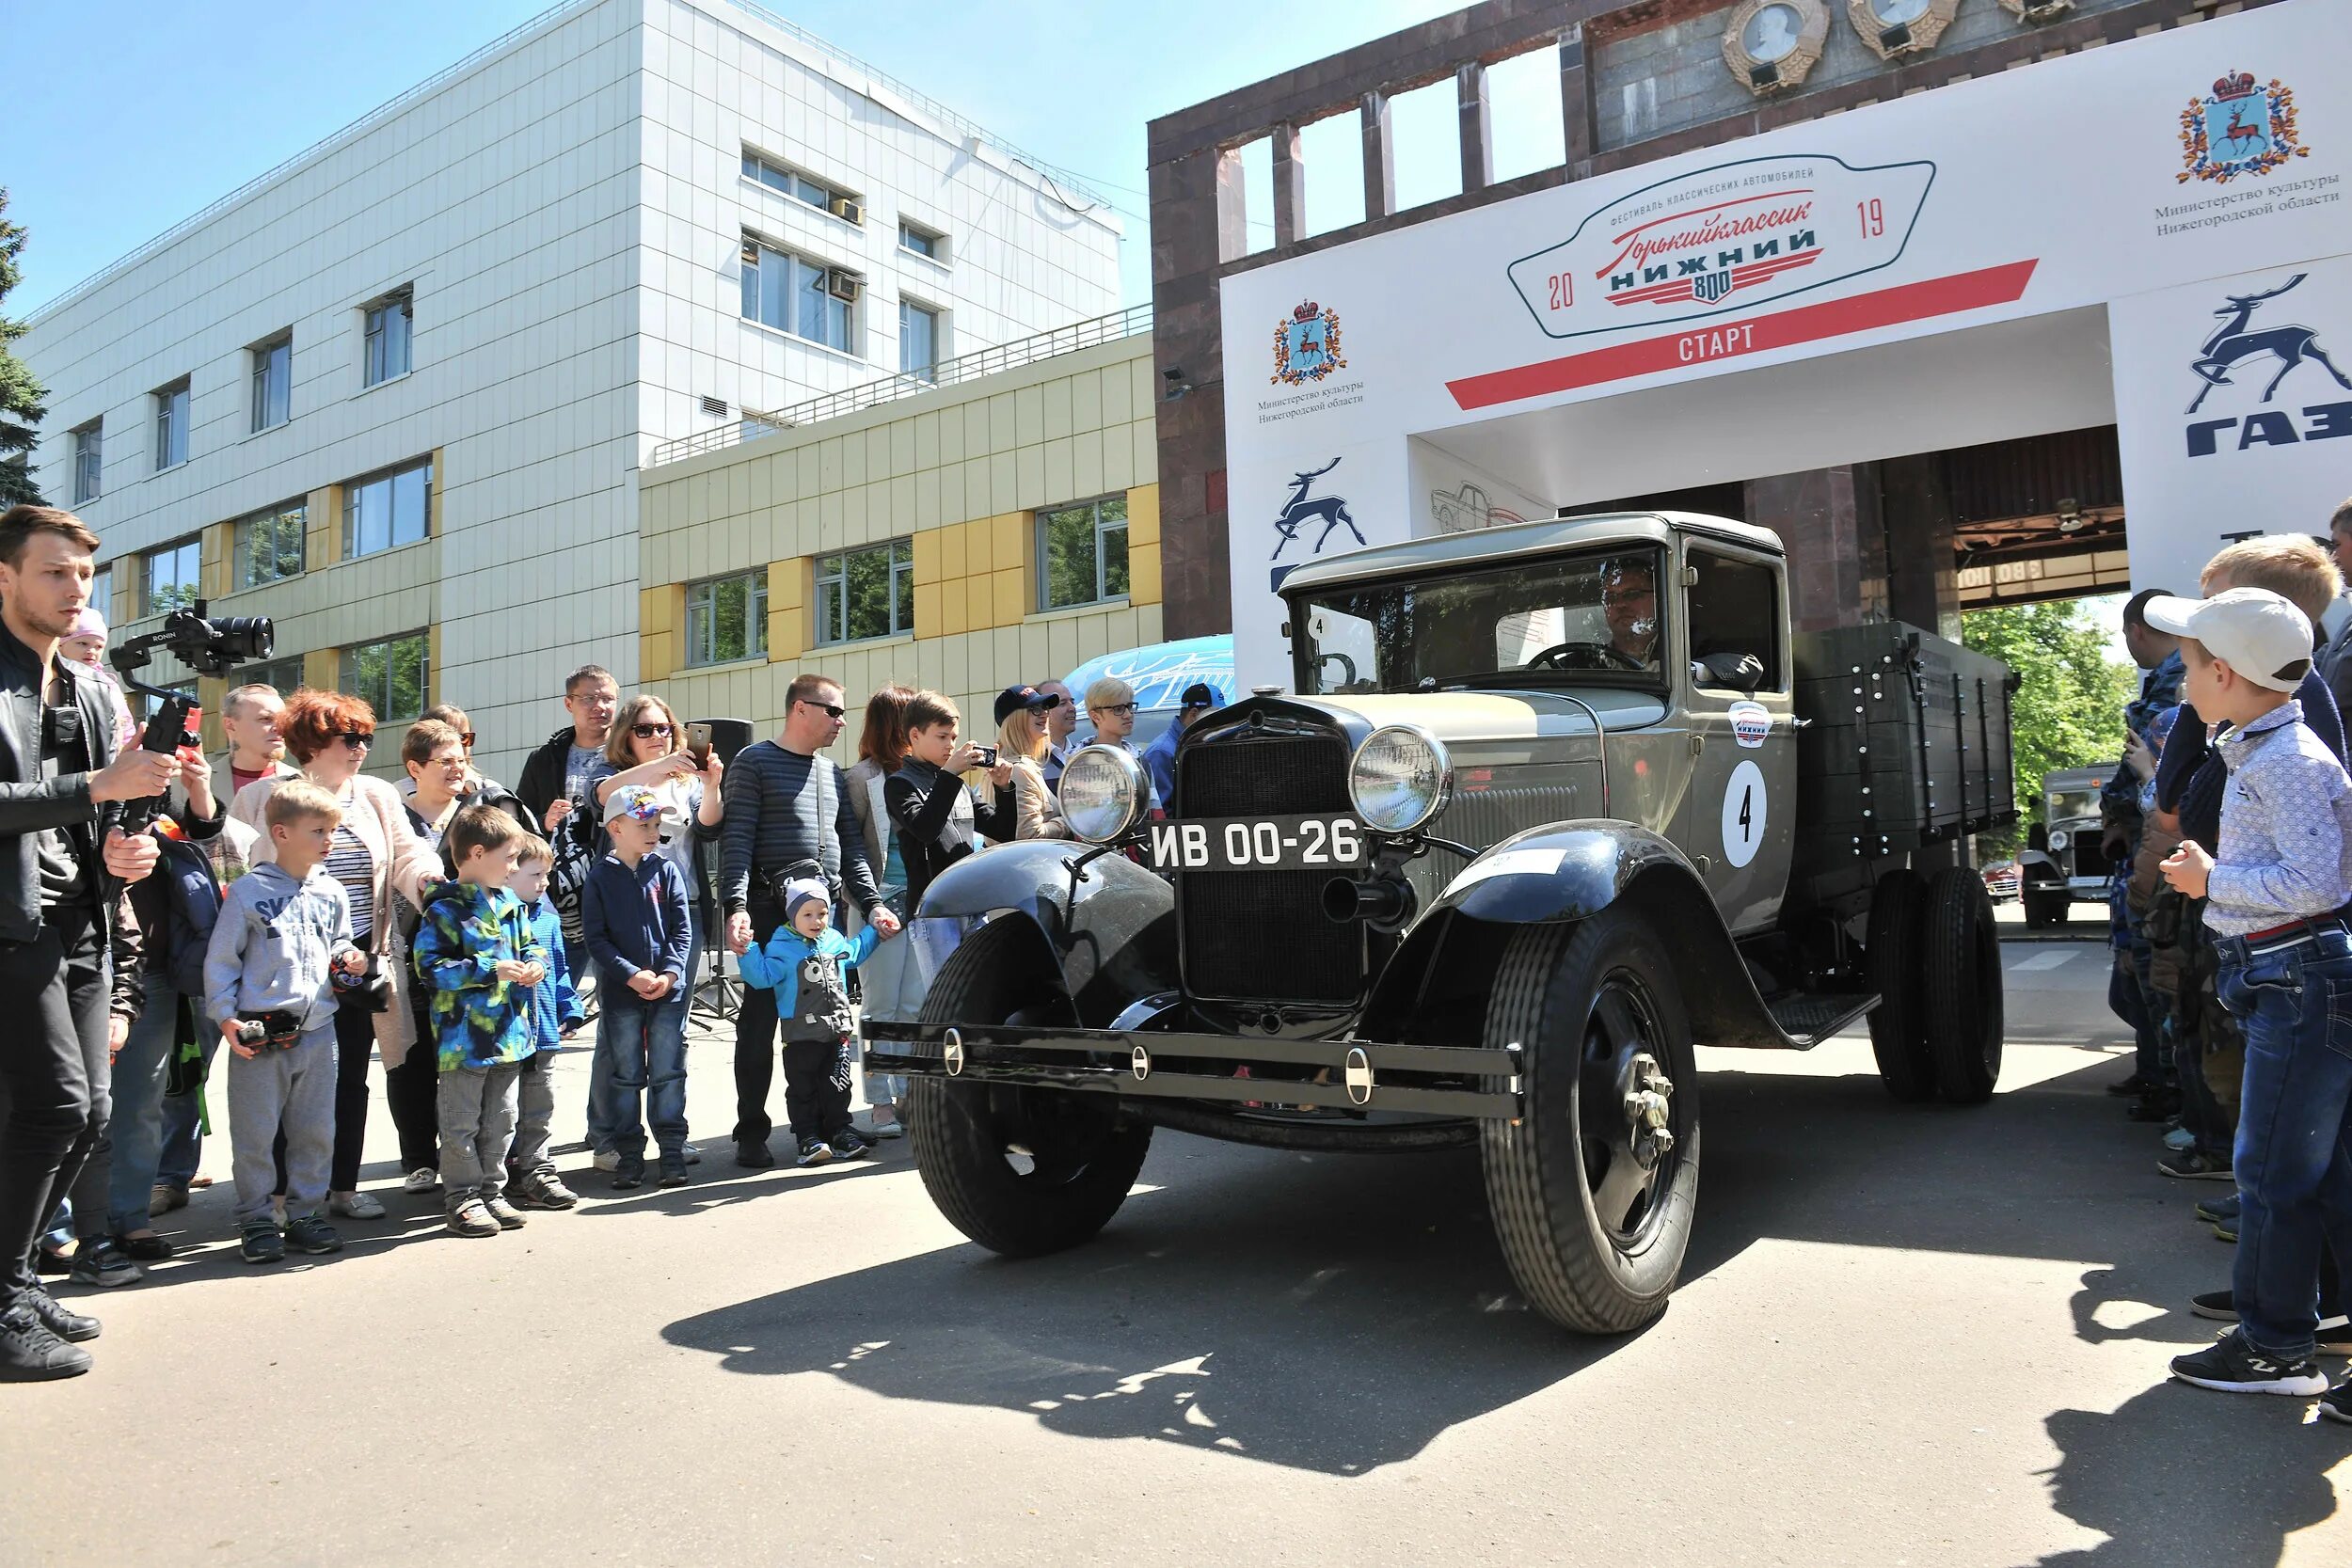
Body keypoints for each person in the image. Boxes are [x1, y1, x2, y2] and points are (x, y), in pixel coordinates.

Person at [2152, 587, 2352, 1420]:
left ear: (2227, 675)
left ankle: (2274, 1345)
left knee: (2270, 1171)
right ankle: (2286, 1336)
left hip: (2299, 980)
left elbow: (2319, 882)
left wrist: (2210, 880)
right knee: (2325, 1175)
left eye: (2190, 666)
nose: (2181, 681)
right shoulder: (2261, 749)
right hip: (2294, 977)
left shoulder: (2285, 760)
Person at [0, 503, 173, 1382]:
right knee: (54, 1107)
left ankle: (20, 1277)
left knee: (91, 1114)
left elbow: (95, 814)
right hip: (11, 927)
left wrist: (122, 842)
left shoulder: (85, 686)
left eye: (84, 574)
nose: (75, 590)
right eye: (54, 572)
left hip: (82, 920)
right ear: (6, 578)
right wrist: (94, 784)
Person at [230, 689, 439, 1221]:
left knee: (347, 1080)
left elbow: (406, 854)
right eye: (351, 738)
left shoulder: (374, 795)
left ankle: (341, 1188)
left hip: (357, 965)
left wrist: (430, 882)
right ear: (314, 741)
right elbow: (236, 869)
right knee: (282, 1084)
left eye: (367, 738)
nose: (362, 748)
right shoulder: (264, 796)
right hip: (282, 972)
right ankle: (278, 1198)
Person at [720, 673, 898, 1168]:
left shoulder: (830, 772)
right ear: (800, 708)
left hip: (822, 915)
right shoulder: (753, 762)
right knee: (758, 1026)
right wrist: (736, 908)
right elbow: (736, 840)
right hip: (767, 911)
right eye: (834, 711)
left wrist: (874, 901)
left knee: (825, 1028)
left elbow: (852, 847)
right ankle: (751, 1132)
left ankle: (826, 1126)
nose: (842, 721)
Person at [203, 780, 365, 1265]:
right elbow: (222, 961)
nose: (329, 840)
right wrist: (226, 1017)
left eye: (332, 830)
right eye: (320, 831)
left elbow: (338, 944)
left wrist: (350, 958)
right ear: (282, 832)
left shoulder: (331, 890)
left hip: (318, 1032)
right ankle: (255, 1218)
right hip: (261, 1034)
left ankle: (304, 1214)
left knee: (315, 1130)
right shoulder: (249, 891)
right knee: (255, 1133)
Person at [581, 693, 723, 1170]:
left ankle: (670, 1139)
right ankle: (607, 1137)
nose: (656, 736)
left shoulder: (685, 780)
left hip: (681, 904)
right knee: (617, 1033)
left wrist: (710, 783)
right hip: (625, 911)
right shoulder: (615, 778)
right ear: (626, 735)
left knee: (670, 1030)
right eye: (644, 729)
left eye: (664, 727)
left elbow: (709, 827)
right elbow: (599, 796)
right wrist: (655, 771)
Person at [412, 803, 544, 1239]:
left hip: (509, 1035)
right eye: (507, 858)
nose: (513, 868)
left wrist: (533, 965)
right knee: (461, 1122)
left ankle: (492, 1190)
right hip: (463, 1040)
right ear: (475, 853)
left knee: (501, 1120)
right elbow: (430, 969)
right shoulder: (444, 908)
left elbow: (530, 947)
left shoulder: (509, 901)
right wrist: (489, 968)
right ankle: (463, 1199)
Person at [583, 784, 695, 1190]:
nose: (653, 831)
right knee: (625, 1073)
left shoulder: (667, 870)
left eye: (656, 823)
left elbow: (683, 931)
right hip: (621, 993)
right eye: (643, 823)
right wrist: (630, 973)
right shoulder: (600, 878)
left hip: (669, 990)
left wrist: (668, 973)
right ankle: (629, 1153)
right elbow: (596, 938)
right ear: (615, 827)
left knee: (668, 1070)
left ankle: (671, 1150)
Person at [739, 877, 891, 1166]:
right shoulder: (781, 947)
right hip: (799, 1036)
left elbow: (855, 952)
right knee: (802, 1089)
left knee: (838, 1084)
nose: (816, 920)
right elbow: (761, 977)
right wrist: (748, 950)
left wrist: (876, 931)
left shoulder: (832, 940)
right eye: (807, 914)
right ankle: (807, 1138)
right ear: (792, 914)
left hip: (837, 1032)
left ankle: (841, 1131)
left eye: (822, 913)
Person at [388, 717, 472, 1193]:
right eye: (444, 762)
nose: (456, 769)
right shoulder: (395, 818)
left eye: (461, 759)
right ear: (415, 768)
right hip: (406, 960)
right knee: (412, 1063)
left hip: (467, 965)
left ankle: (465, 1157)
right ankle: (418, 1159)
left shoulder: (479, 813)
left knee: (462, 1065)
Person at [516, 666, 621, 984]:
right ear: (568, 703)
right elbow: (520, 821)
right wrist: (545, 822)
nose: (599, 707)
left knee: (619, 989)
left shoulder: (629, 754)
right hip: (563, 888)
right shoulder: (545, 758)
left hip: (615, 874)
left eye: (607, 699)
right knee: (558, 981)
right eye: (588, 698)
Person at [844, 683, 915, 1138]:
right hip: (878, 907)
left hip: (923, 905)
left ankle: (910, 1089)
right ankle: (881, 1102)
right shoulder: (860, 777)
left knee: (915, 1003)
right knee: (880, 1005)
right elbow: (851, 850)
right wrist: (870, 907)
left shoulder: (928, 771)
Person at [505, 834, 583, 1210]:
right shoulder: (496, 919)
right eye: (535, 874)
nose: (544, 882)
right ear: (507, 873)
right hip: (505, 1034)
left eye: (546, 875)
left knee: (539, 1106)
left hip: (544, 1032)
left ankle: (537, 1171)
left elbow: (561, 971)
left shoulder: (549, 921)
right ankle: (501, 1173)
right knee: (502, 1112)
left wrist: (570, 1008)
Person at [992, 685, 1070, 841]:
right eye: (1035, 709)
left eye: (1045, 708)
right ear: (1015, 720)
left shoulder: (1013, 765)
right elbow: (1029, 836)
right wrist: (1069, 820)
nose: (1044, 715)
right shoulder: (1017, 771)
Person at [57, 608, 137, 755]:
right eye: (82, 643)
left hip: (105, 757)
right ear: (60, 645)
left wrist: (131, 753)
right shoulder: (52, 679)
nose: (91, 651)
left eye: (98, 647)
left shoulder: (108, 685)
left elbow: (125, 726)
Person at [1082, 677, 1163, 815]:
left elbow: (1155, 813)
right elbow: (1080, 819)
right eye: (1118, 709)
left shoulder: (1140, 760)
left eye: (1130, 706)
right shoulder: (1080, 763)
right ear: (1096, 717)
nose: (1128, 714)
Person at [1141, 682, 1219, 808]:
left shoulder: (1202, 743)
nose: (1220, 722)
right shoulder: (1161, 752)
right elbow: (1161, 812)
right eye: (1214, 716)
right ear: (1193, 714)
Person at [216, 683, 297, 800]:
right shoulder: (191, 782)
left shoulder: (305, 785)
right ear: (230, 725)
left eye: (283, 720)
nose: (279, 728)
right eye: (266, 719)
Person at [1599, 558, 1661, 670]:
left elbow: (1702, 667)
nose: (1620, 604)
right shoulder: (1582, 665)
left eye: (1632, 594)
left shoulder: (1686, 650)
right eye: (1611, 598)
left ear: (1657, 598)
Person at [1038, 679, 1077, 793]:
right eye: (1063, 703)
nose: (1072, 708)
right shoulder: (1031, 762)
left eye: (1072, 702)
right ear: (1041, 712)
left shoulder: (1084, 756)